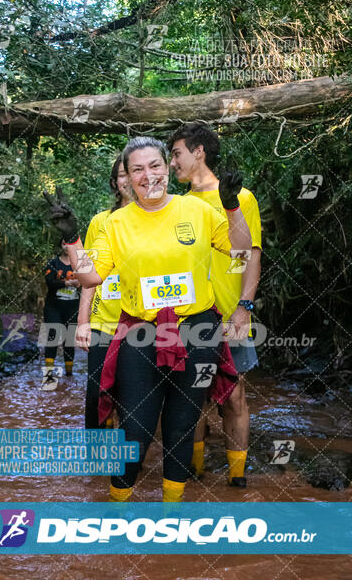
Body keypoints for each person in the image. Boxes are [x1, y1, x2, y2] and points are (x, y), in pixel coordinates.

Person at [43, 136, 252, 502]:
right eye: (137, 169)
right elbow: (91, 277)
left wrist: (232, 207)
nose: (148, 175)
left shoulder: (198, 211)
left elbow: (240, 250)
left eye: (155, 165)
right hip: (139, 334)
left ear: (167, 168)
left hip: (197, 331)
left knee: (181, 428)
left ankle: (169, 517)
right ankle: (117, 509)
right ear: (127, 176)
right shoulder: (116, 223)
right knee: (135, 431)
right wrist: (73, 241)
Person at [168, 122, 262, 487]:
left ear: (198, 151)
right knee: (192, 398)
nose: (172, 163)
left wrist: (244, 307)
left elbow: (250, 255)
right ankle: (195, 471)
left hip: (231, 312)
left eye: (176, 154)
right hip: (188, 318)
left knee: (234, 396)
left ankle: (237, 478)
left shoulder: (241, 198)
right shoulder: (176, 206)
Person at [76, 156, 131, 427]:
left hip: (145, 323)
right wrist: (83, 322)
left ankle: (129, 465)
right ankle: (97, 463)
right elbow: (89, 273)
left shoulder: (159, 219)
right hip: (104, 321)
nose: (129, 180)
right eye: (123, 174)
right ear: (114, 182)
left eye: (134, 172)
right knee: (97, 394)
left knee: (134, 397)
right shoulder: (101, 221)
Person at [42, 239, 81, 390]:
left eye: (69, 244)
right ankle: (49, 376)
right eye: (64, 243)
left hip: (72, 306)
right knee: (53, 335)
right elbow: (49, 282)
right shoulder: (53, 263)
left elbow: (89, 282)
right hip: (54, 305)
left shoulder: (79, 263)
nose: (66, 246)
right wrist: (67, 283)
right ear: (61, 245)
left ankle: (69, 374)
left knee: (69, 338)